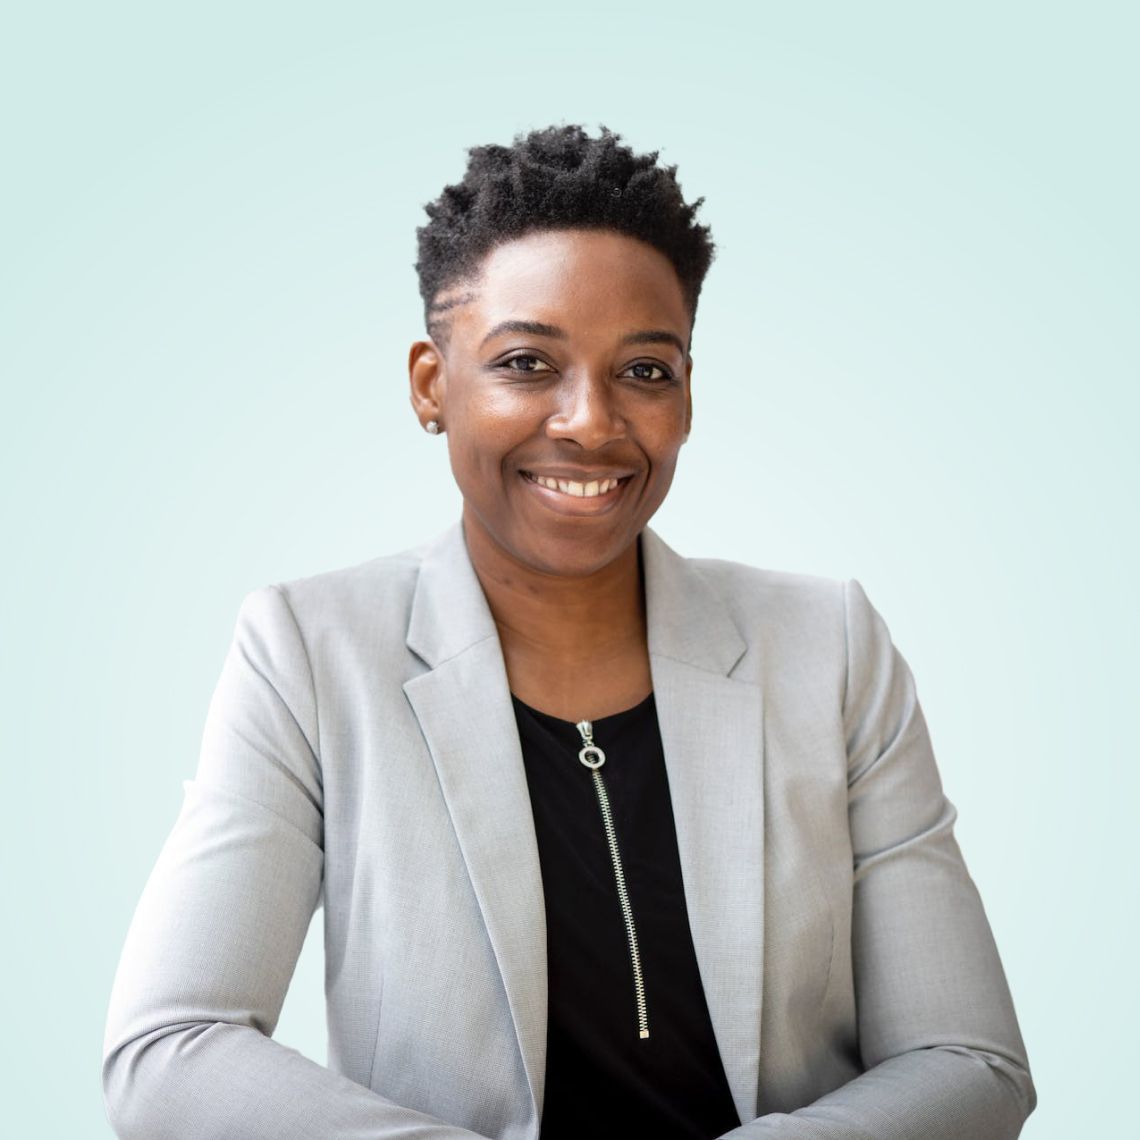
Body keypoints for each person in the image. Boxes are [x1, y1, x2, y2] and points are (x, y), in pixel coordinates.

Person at [102, 124, 1037, 1139]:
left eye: (644, 371)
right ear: (431, 384)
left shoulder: (831, 649)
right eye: (525, 363)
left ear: (686, 392)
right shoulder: (308, 652)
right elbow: (171, 1051)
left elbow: (968, 1060)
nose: (591, 422)